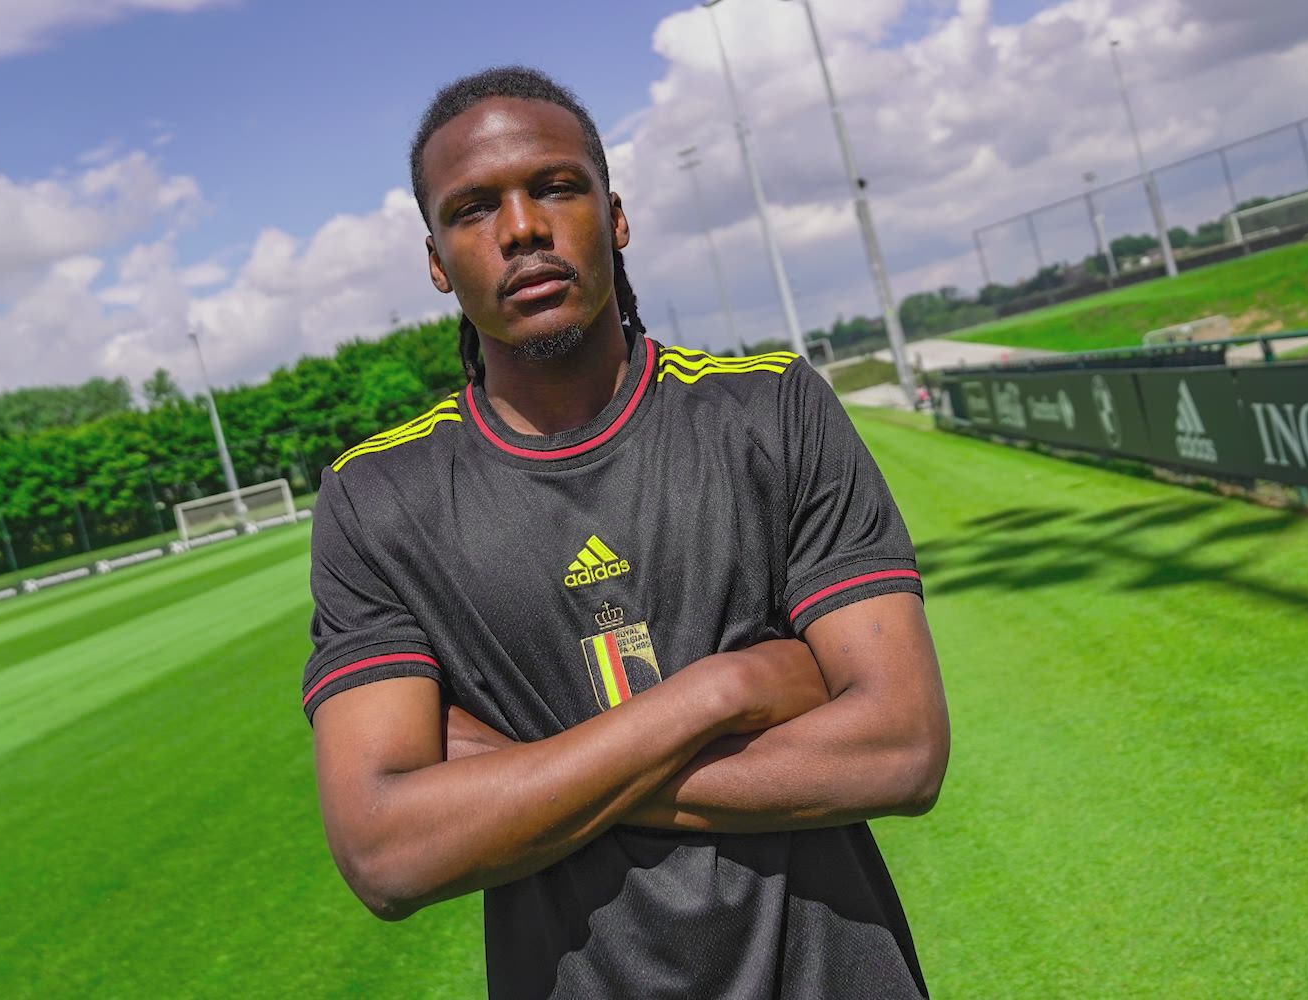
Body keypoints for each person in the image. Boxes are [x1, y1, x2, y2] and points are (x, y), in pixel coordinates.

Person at [304, 66, 951, 1000]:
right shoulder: (375, 500)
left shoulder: (772, 411)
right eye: (474, 208)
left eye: (556, 187)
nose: (522, 228)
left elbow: (902, 747)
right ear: (437, 262)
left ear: (615, 218)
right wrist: (722, 692)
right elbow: (386, 853)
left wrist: (520, 773)